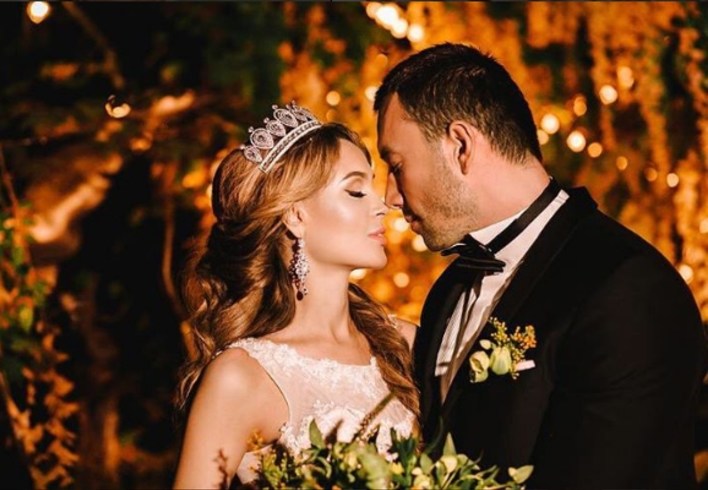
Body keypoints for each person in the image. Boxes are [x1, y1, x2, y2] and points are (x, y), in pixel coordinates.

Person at [374, 43, 706, 488]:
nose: (391, 197)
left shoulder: (627, 290)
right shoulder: (449, 290)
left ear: (461, 146)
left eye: (396, 166)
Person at [172, 103, 418, 489]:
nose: (381, 205)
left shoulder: (404, 344)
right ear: (296, 216)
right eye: (356, 191)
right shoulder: (241, 376)